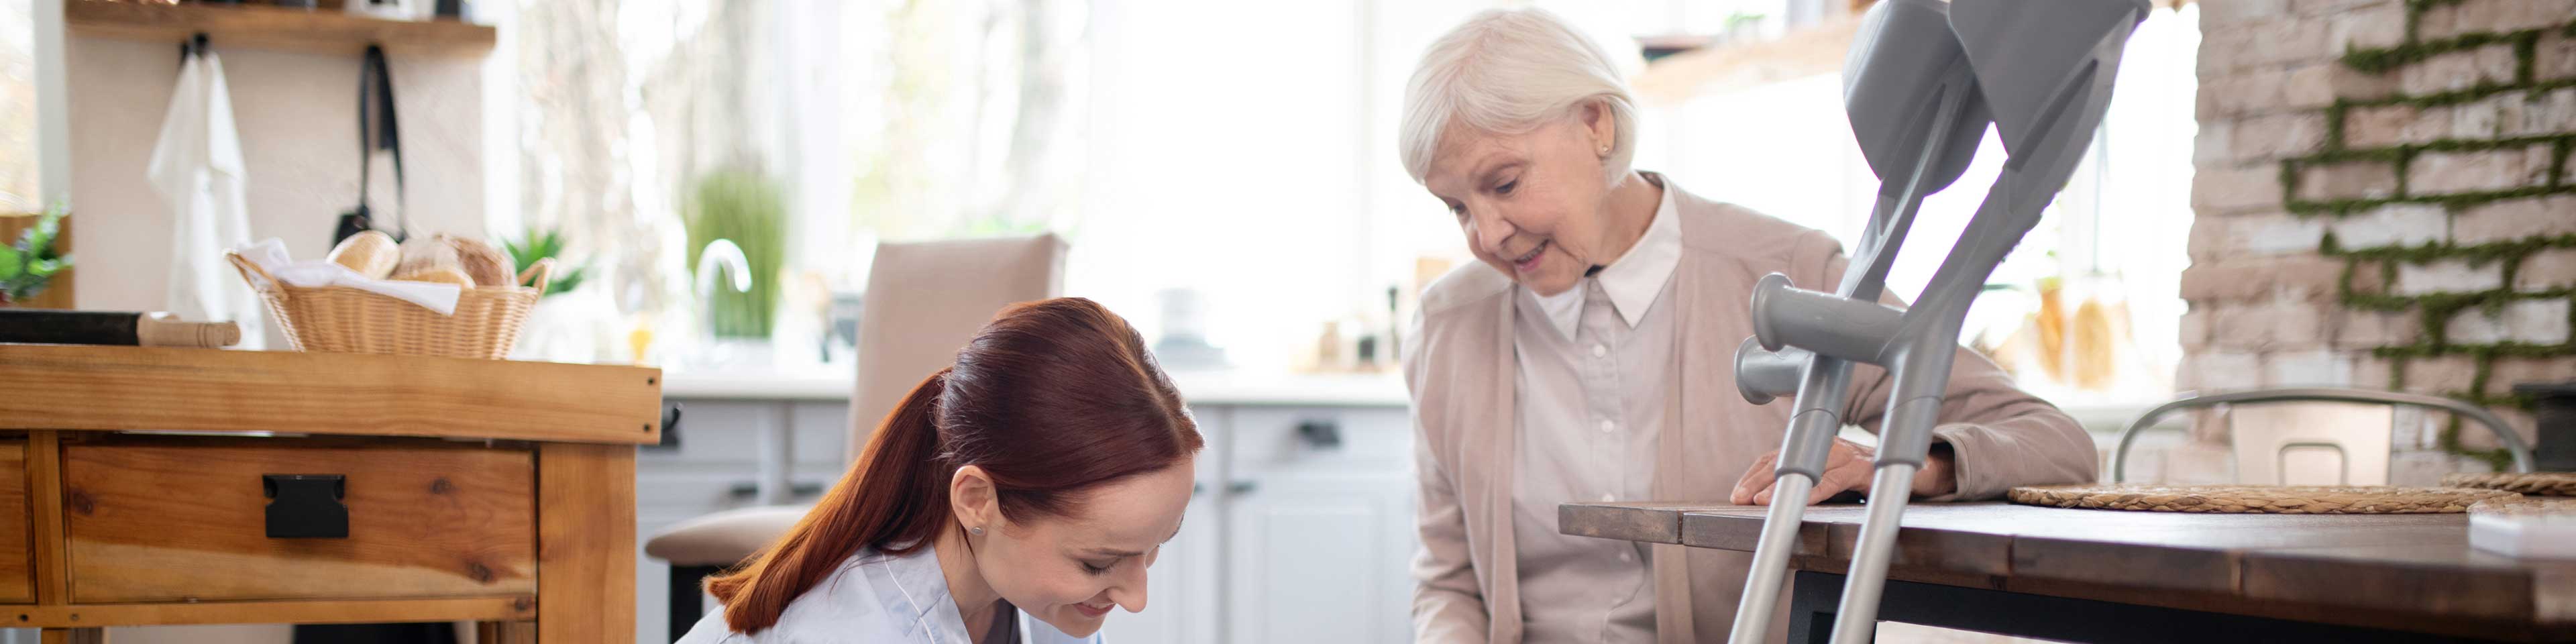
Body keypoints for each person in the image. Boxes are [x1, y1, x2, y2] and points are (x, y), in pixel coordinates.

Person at [1395, 9, 2098, 643]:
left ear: (1595, 124)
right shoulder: (1447, 328)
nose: (1486, 234)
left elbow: (2053, 442)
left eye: (1505, 184)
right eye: (1455, 207)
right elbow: (1449, 581)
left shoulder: (1786, 274)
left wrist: (1908, 464)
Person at [677, 297, 1203, 643]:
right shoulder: (852, 631)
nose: (1137, 597)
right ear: (977, 501)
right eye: (1098, 563)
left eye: (1155, 547)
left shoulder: (1046, 603)